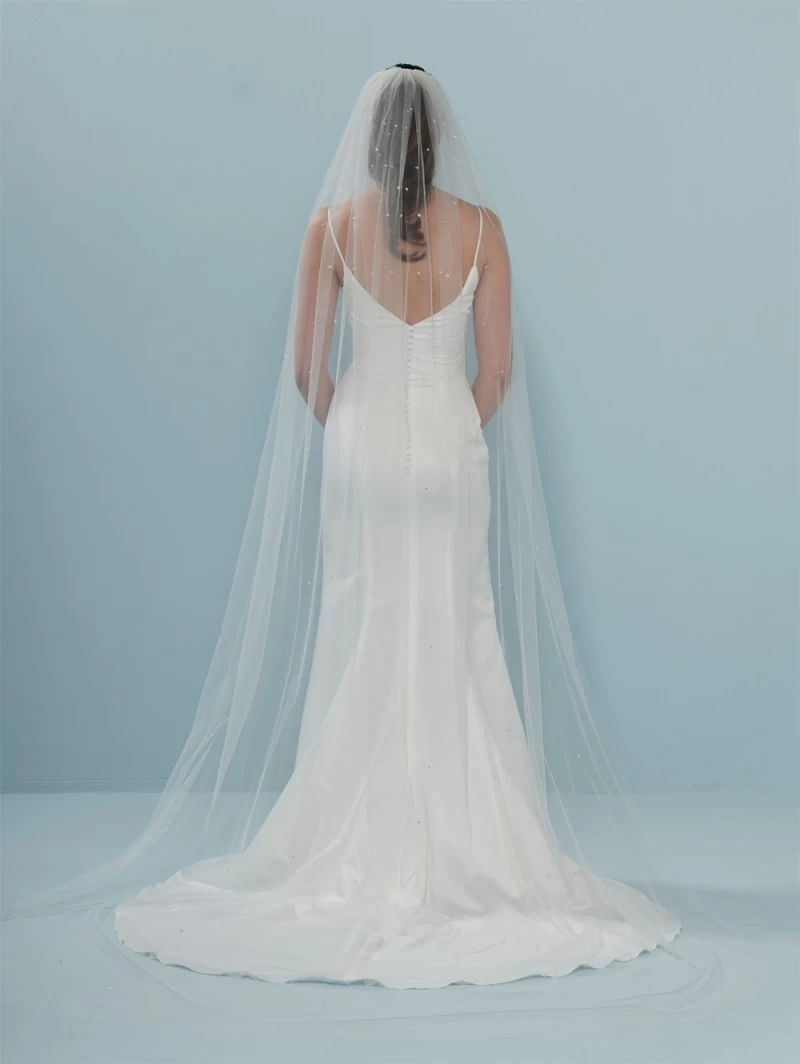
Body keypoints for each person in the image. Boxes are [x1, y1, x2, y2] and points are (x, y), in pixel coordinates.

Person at [4, 63, 758, 1028]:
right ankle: (473, 848)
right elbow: (498, 372)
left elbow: (304, 371)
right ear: (439, 143)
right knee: (455, 636)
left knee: (364, 631)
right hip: (449, 450)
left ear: (367, 142)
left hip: (360, 454)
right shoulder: (485, 230)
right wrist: (449, 436)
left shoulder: (329, 229)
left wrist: (354, 434)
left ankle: (355, 836)